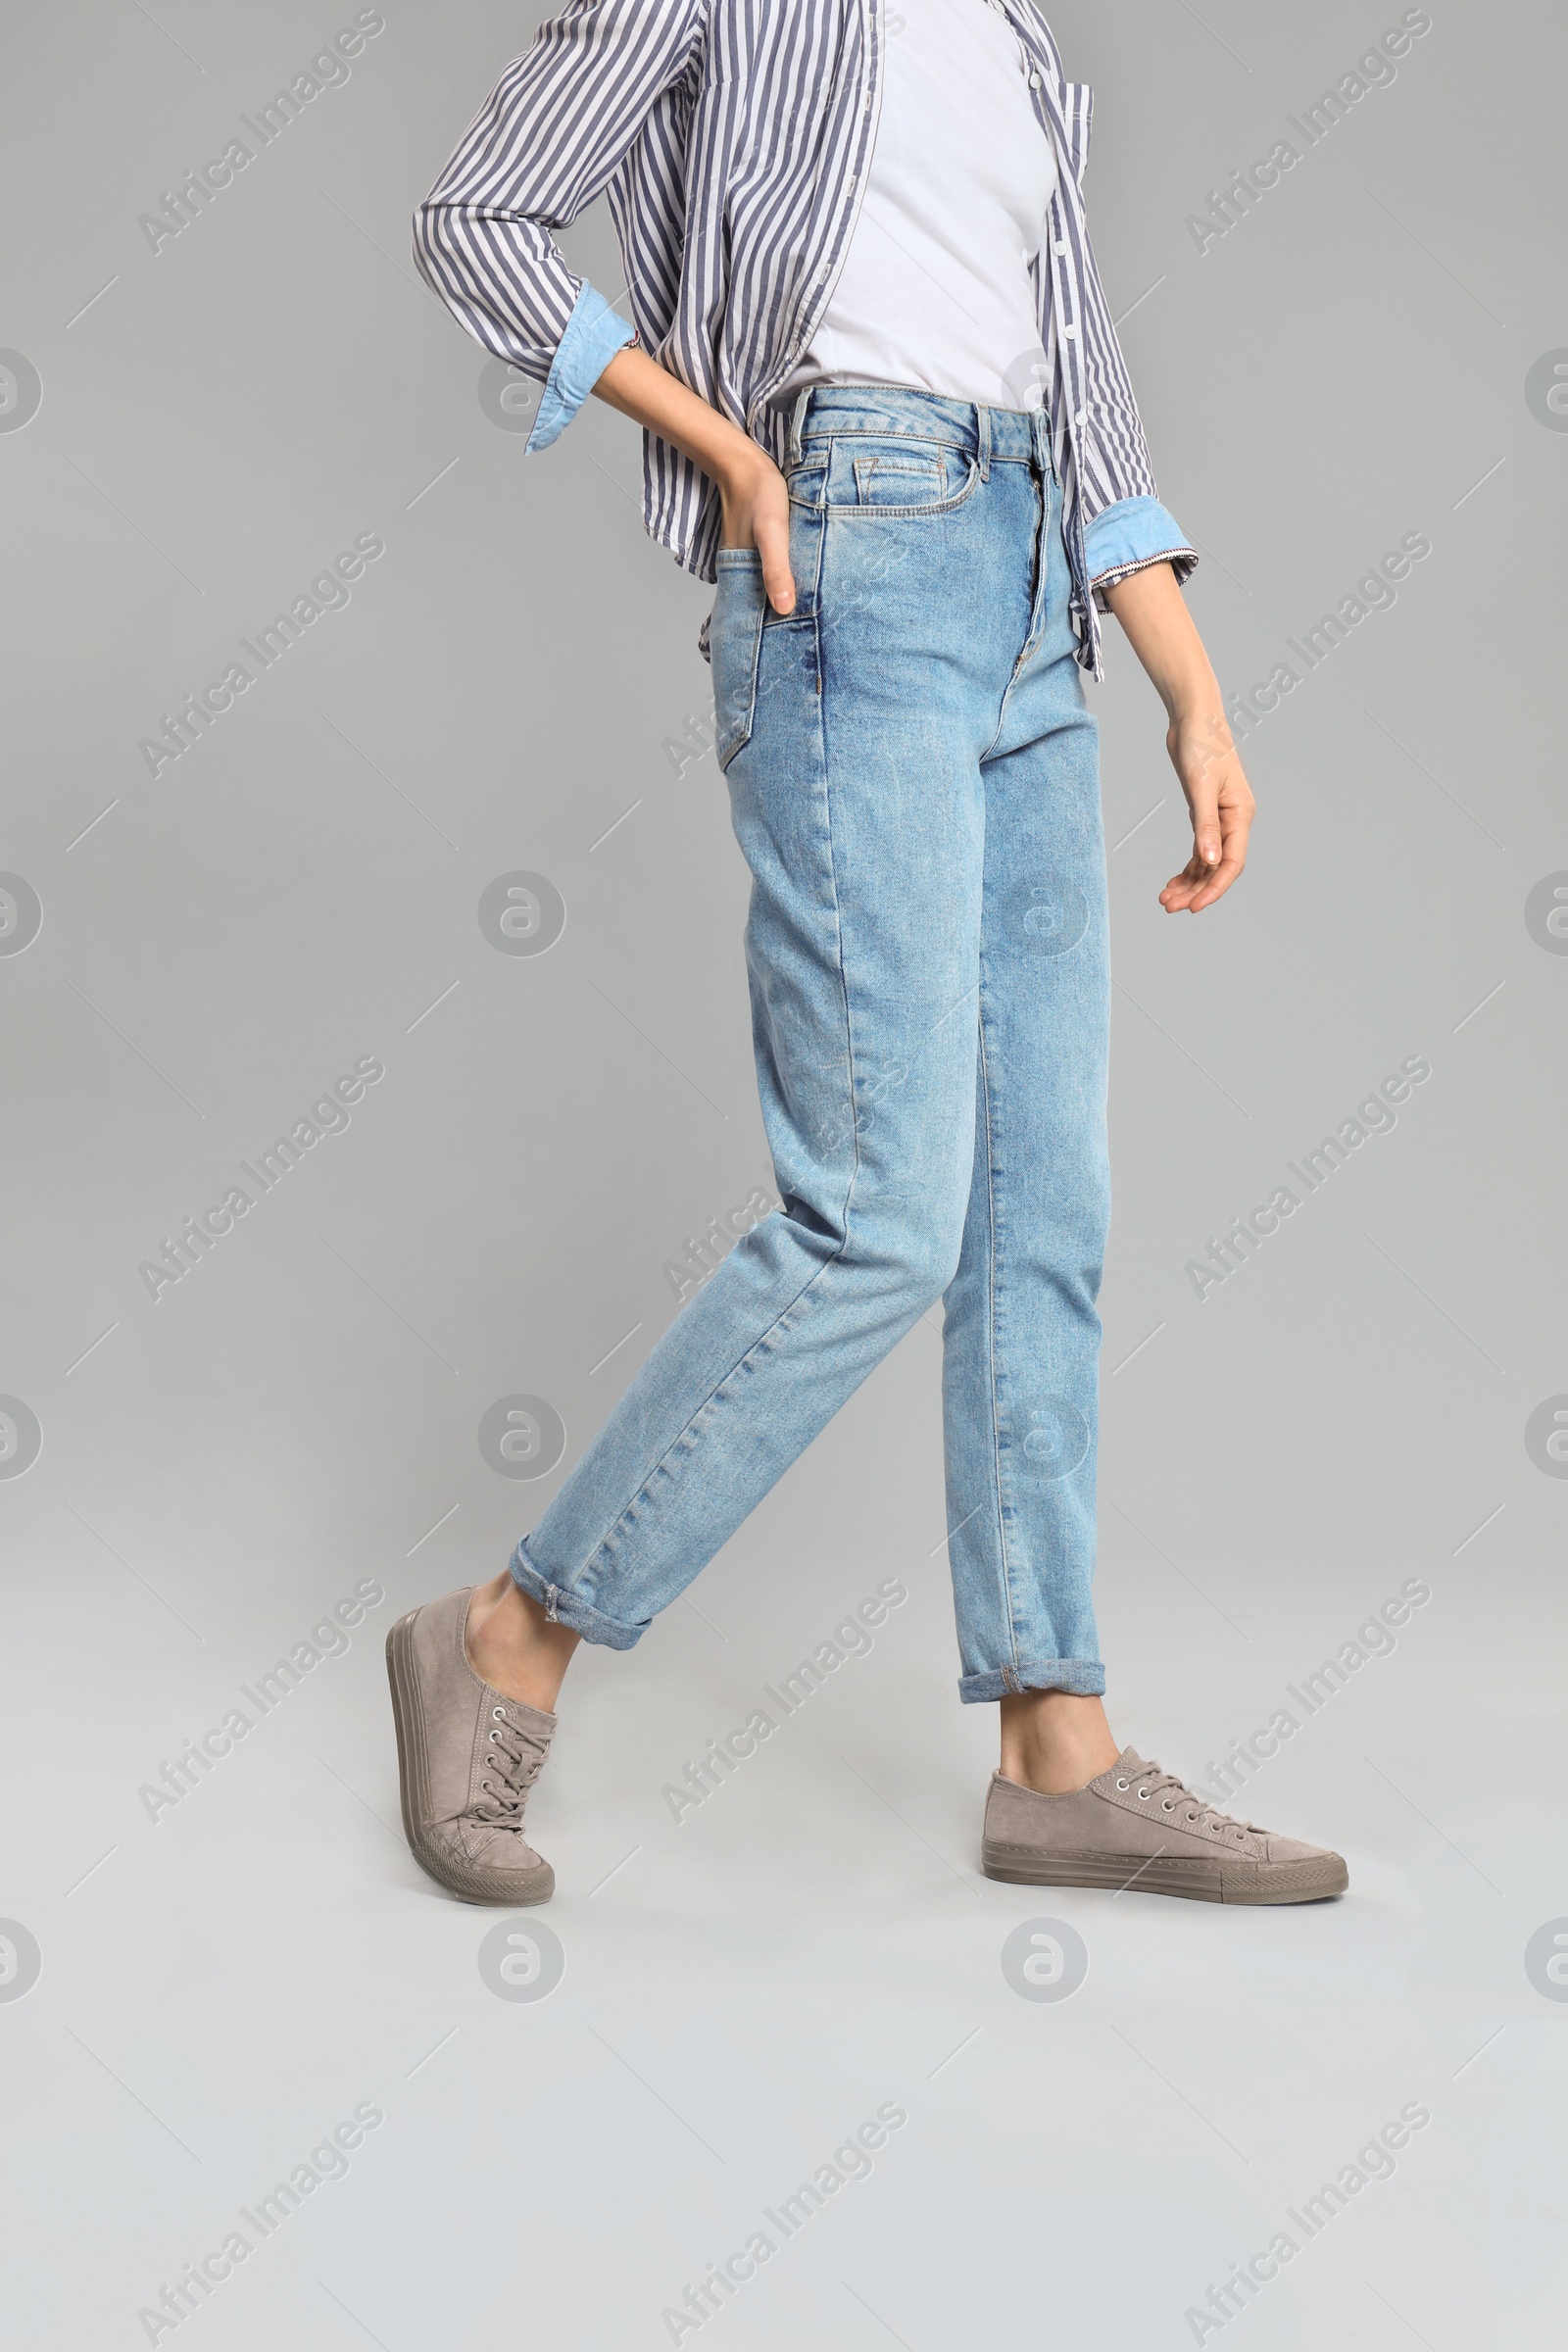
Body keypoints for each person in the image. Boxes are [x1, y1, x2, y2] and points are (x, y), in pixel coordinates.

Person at [388, 0, 1347, 1911]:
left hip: (1024, 615)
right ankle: (506, 1632)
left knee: (1038, 1211)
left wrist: (1191, 691)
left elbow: (1083, 387)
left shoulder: (1004, 35)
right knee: (882, 1210)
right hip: (850, 563)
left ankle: (1054, 1751)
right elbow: (477, 219)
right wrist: (732, 464)